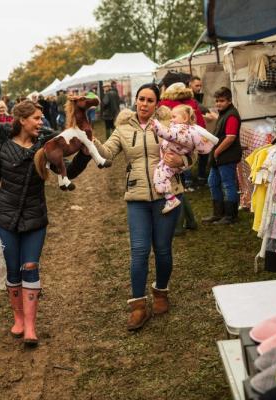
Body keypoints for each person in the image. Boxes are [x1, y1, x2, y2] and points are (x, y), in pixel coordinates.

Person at [0, 101, 91, 346]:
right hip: (6, 218)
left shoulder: (45, 147)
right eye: (36, 118)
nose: (41, 122)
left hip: (35, 218)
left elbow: (67, 171)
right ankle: (19, 319)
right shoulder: (2, 148)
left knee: (30, 266)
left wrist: (84, 157)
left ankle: (31, 327)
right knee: (13, 269)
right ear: (22, 120)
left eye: (41, 118)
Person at [92, 83, 195, 331]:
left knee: (162, 249)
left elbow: (193, 150)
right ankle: (138, 306)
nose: (144, 104)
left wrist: (182, 160)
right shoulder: (123, 128)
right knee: (139, 251)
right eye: (141, 99)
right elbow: (106, 155)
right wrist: (91, 141)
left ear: (157, 103)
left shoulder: (169, 124)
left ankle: (160, 292)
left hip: (167, 194)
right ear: (135, 101)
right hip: (137, 197)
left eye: (150, 100)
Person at [152, 105, 217, 214]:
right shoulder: (184, 129)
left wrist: (156, 126)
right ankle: (170, 198)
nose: (171, 119)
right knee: (160, 174)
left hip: (170, 162)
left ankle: (170, 198)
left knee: (159, 176)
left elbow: (168, 134)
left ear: (185, 118)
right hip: (169, 159)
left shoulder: (183, 130)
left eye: (174, 116)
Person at [202, 87, 243, 225]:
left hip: (226, 156)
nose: (218, 104)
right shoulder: (224, 113)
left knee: (228, 184)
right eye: (217, 101)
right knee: (213, 182)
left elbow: (231, 138)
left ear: (229, 100)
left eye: (222, 101)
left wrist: (217, 151)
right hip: (219, 156)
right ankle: (218, 214)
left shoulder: (231, 115)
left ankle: (230, 216)